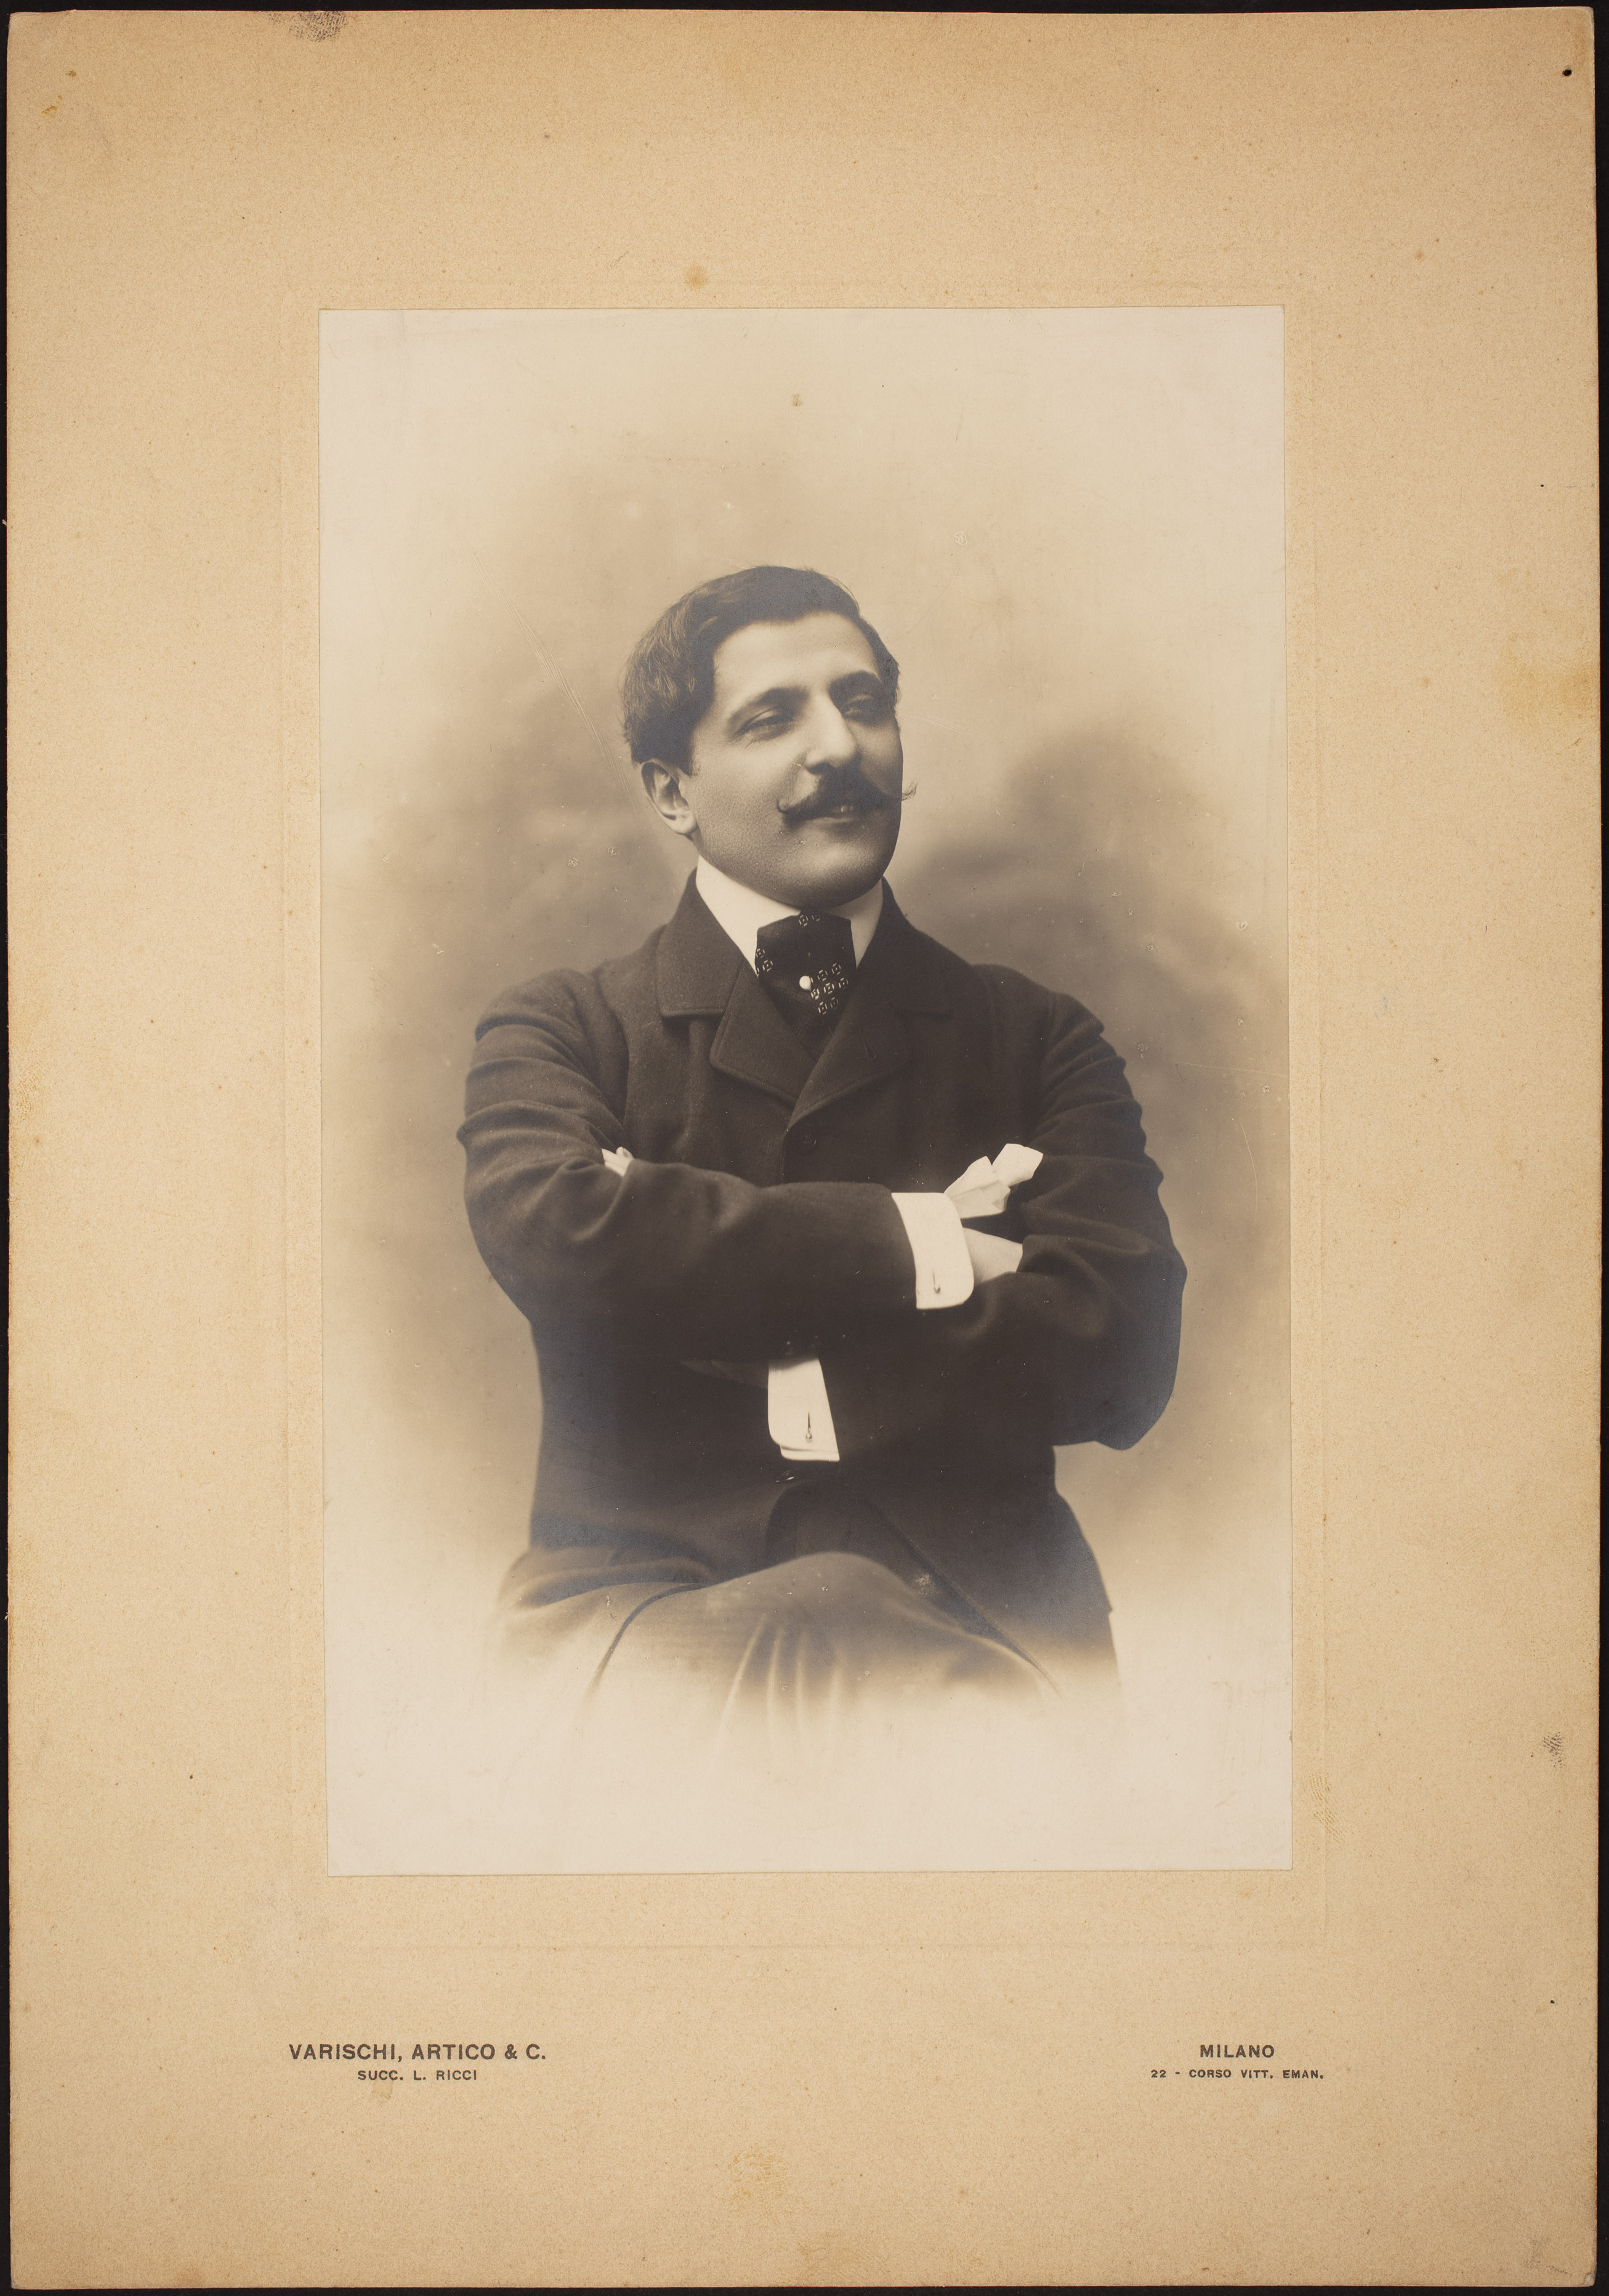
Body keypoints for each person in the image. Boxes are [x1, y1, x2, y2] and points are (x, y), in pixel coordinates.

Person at [459, 565, 1185, 1860]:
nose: (839, 747)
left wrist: (703, 1275)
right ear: (670, 791)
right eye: (769, 718)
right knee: (812, 1635)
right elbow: (563, 1234)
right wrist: (932, 1243)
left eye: (862, 704)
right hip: (643, 1618)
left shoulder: (1033, 1037)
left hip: (985, 1619)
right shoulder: (563, 1028)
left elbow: (1117, 1351)